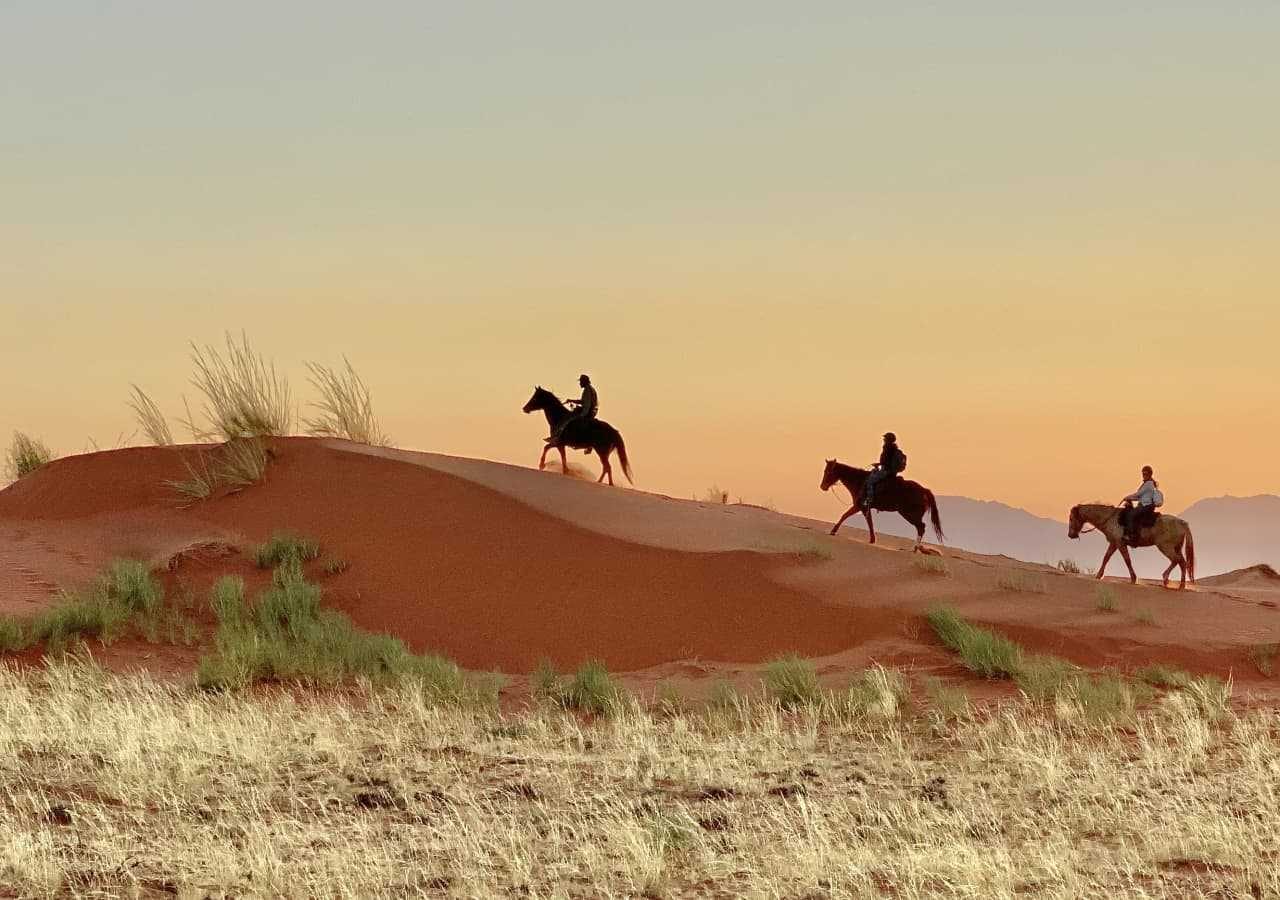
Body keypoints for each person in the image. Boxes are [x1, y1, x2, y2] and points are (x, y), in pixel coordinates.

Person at [546, 374, 599, 443]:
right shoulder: (589, 389)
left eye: (581, 381)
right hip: (590, 410)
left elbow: (587, 405)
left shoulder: (587, 390)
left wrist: (582, 415)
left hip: (587, 411)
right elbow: (584, 401)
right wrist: (572, 400)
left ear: (584, 382)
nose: (580, 383)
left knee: (567, 419)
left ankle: (557, 437)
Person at [861, 432, 907, 509]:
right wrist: (879, 464)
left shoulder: (888, 448)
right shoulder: (892, 448)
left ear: (888, 440)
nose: (884, 439)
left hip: (886, 471)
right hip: (889, 470)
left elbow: (886, 462)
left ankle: (869, 500)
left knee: (869, 481)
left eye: (885, 438)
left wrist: (879, 464)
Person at [1120, 465, 1163, 544]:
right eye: (1143, 474)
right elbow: (1138, 497)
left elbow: (1137, 495)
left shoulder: (1148, 484)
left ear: (1150, 474)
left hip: (1145, 506)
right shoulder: (1147, 484)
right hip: (1144, 504)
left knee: (1130, 515)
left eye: (1146, 474)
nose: (1144, 475)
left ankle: (1131, 536)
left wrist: (1126, 497)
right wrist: (1129, 498)